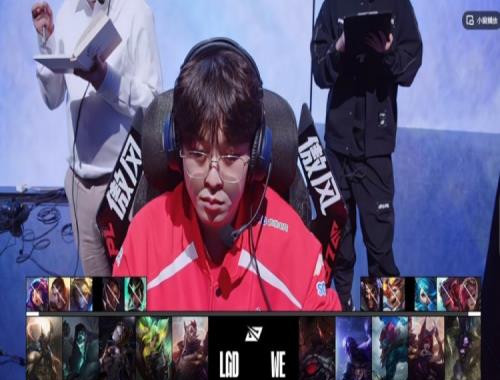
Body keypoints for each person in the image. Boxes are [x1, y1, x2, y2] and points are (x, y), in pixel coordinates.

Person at [113, 39, 342, 312]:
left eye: (231, 158)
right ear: (175, 149)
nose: (213, 179)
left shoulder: (296, 248)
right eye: (197, 154)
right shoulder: (142, 239)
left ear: (257, 155)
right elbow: (120, 331)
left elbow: (328, 334)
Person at [32, 0, 163, 276]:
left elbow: (153, 105)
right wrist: (46, 41)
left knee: (133, 289)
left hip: (124, 184)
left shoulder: (137, 12)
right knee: (99, 292)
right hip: (78, 185)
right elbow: (52, 99)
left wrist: (105, 80)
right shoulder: (67, 13)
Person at [311, 0, 422, 310]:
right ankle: (341, 315)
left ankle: (386, 328)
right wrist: (340, 47)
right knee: (339, 249)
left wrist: (386, 54)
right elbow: (319, 72)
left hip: (376, 151)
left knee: (381, 252)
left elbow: (411, 66)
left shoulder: (398, 5)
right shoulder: (333, 6)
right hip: (337, 148)